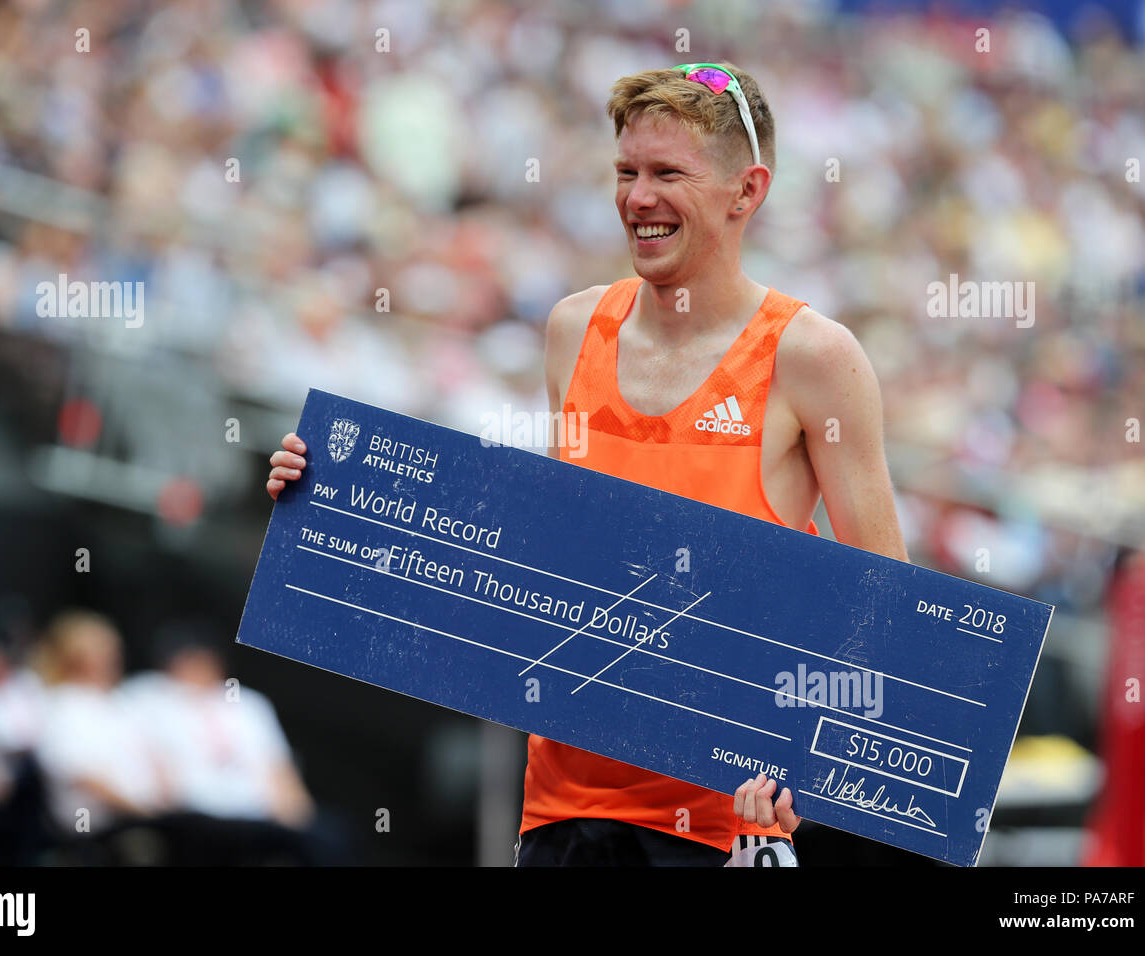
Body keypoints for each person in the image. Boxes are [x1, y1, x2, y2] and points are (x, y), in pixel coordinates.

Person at [266, 62, 908, 866]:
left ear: (746, 192)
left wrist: (804, 762)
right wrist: (330, 497)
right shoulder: (574, 329)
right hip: (561, 810)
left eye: (668, 173)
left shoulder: (814, 356)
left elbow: (888, 601)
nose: (638, 198)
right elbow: (544, 559)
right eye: (627, 172)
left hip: (723, 827)